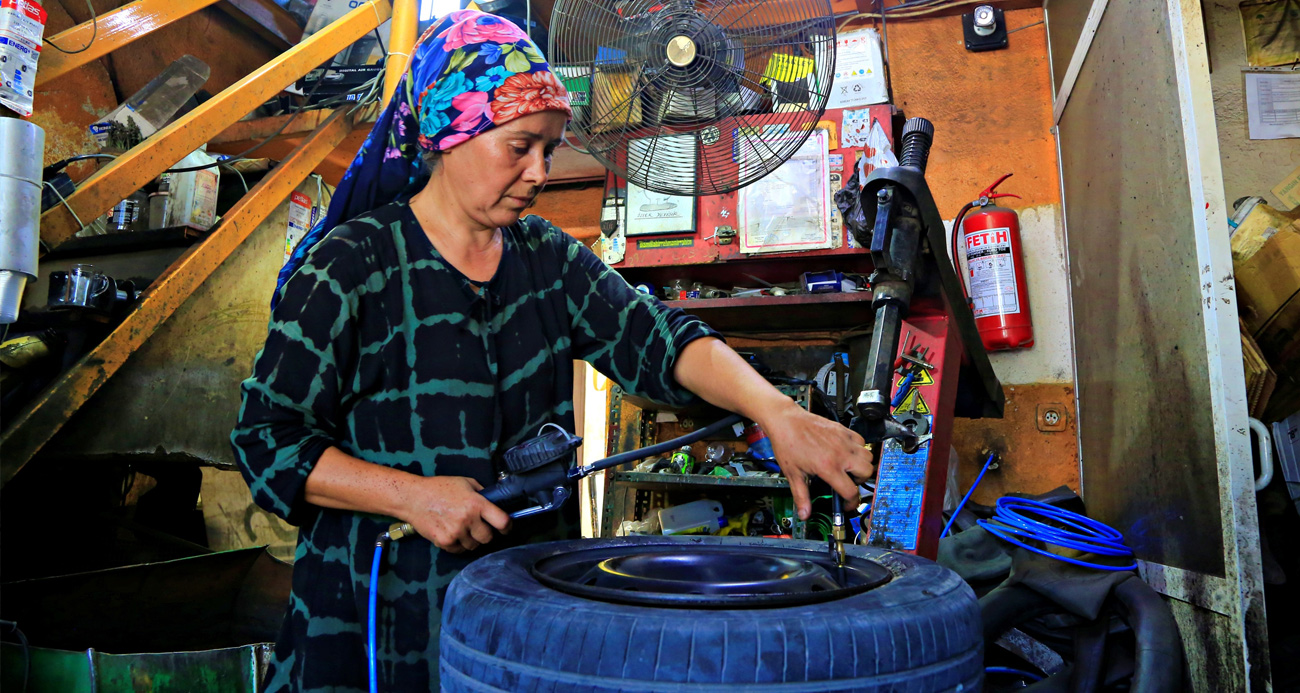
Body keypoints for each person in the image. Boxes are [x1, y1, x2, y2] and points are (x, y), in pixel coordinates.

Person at [231, 10, 874, 692]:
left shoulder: (547, 259)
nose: (540, 171)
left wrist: (777, 412)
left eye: (550, 146)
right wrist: (411, 496)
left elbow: (656, 338)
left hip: (521, 630)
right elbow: (266, 438)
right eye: (520, 147)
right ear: (452, 131)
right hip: (370, 624)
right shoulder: (350, 266)